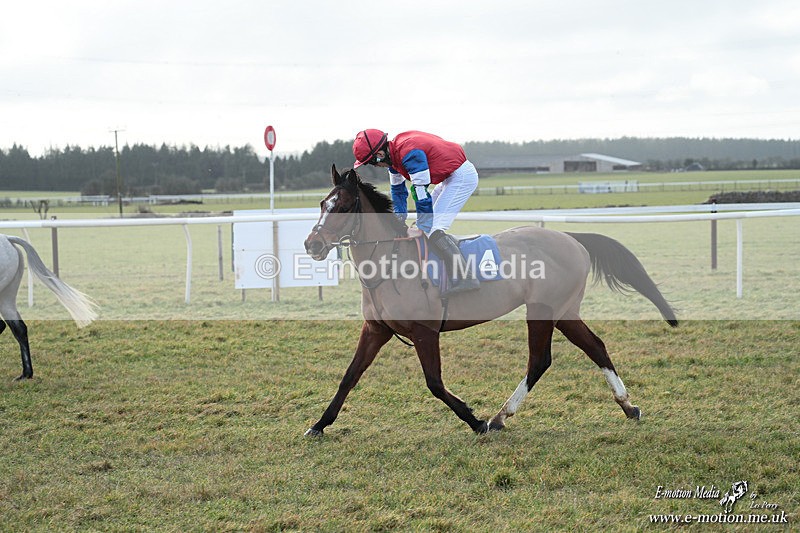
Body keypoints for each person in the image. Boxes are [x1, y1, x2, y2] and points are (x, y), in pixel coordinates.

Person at [353, 129, 480, 295]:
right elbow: (398, 192)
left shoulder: (409, 154)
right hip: (448, 177)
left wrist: (423, 226)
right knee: (422, 226)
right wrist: (399, 220)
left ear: (380, 154)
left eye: (372, 162)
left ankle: (467, 278)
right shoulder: (393, 160)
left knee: (432, 228)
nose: (375, 166)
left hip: (461, 177)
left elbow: (421, 193)